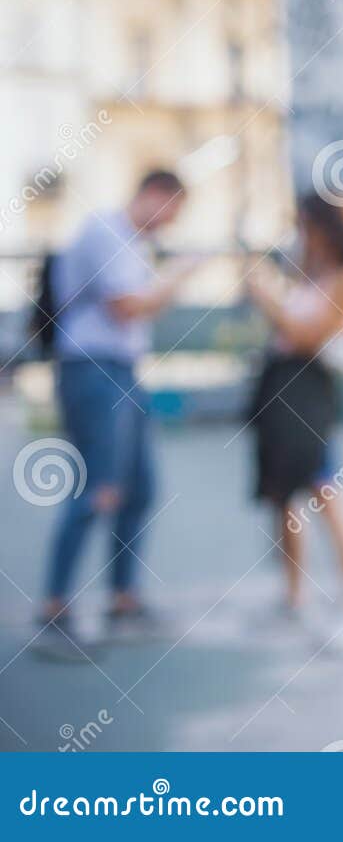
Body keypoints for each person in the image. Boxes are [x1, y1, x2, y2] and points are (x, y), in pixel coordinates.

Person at [33, 169, 193, 662]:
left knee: (138, 488)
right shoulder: (106, 232)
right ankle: (53, 611)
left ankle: (124, 601)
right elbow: (129, 307)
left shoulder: (130, 241)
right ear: (155, 194)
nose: (171, 224)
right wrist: (180, 275)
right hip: (93, 370)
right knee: (98, 488)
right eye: (174, 210)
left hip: (122, 372)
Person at [245, 192, 343, 646]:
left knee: (326, 491)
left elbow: (306, 335)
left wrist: (265, 295)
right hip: (280, 386)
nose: (304, 234)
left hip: (307, 392)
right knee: (284, 497)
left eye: (309, 225)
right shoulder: (314, 274)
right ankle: (294, 598)